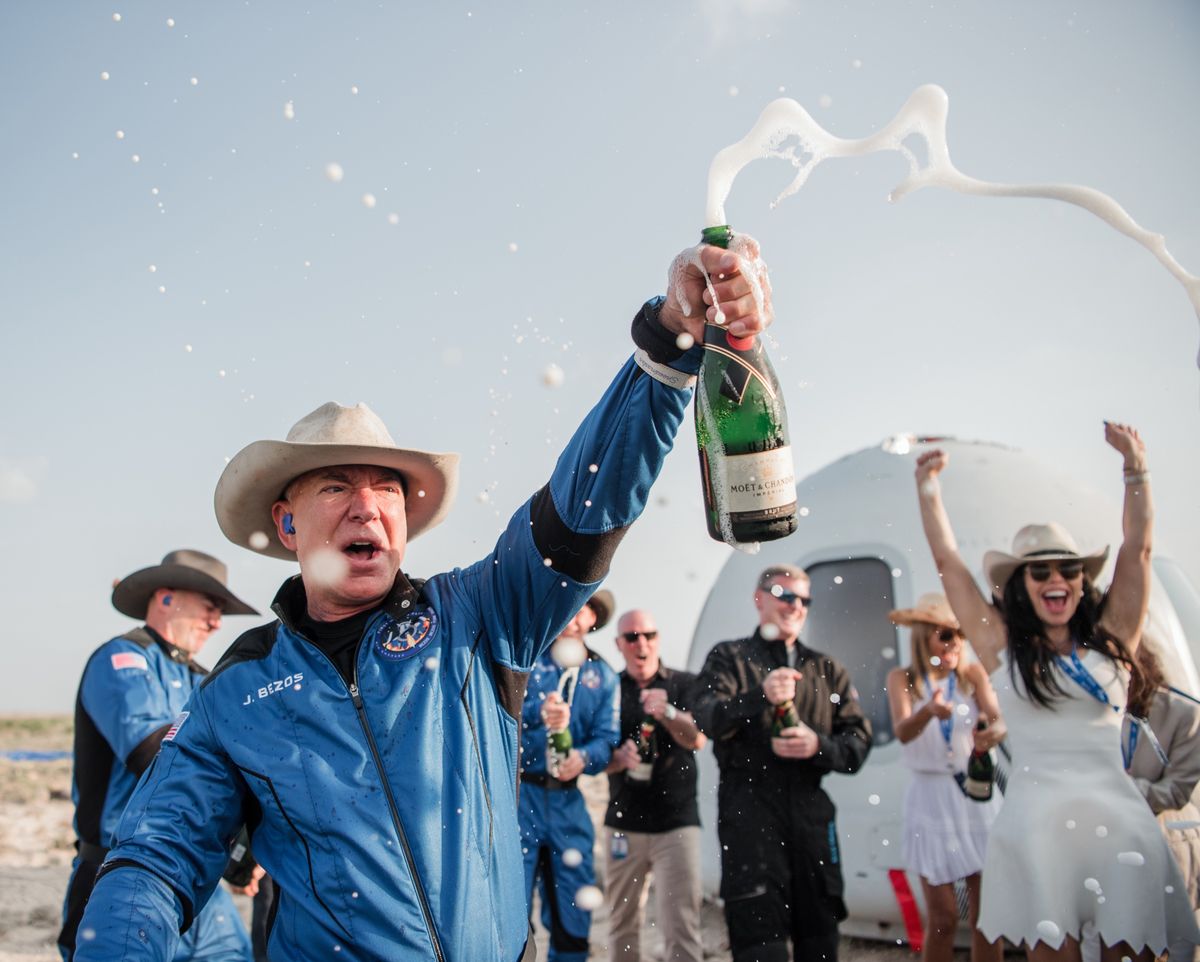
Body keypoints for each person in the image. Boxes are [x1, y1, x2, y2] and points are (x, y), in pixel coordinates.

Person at [72, 237, 774, 962]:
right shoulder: (239, 689)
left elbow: (582, 509)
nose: (367, 507)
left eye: (387, 489)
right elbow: (157, 856)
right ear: (286, 522)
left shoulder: (480, 613)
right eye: (337, 486)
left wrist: (669, 345)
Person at [913, 421, 1199, 962]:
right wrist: (929, 492)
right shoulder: (1004, 649)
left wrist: (1135, 467)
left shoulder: (1114, 640)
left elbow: (1137, 551)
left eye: (1067, 569)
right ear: (1021, 584)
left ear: (1081, 581)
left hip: (1116, 817)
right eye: (1039, 571)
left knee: (1131, 953)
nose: (1055, 580)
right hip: (1037, 820)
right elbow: (950, 568)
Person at [59, 549, 258, 962]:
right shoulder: (121, 659)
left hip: (198, 883)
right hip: (117, 876)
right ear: (166, 598)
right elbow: (155, 755)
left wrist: (248, 847)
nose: (216, 622)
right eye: (210, 606)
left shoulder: (204, 679)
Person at [693, 563, 873, 962]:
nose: (796, 606)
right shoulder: (729, 657)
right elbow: (705, 716)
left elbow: (858, 742)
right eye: (785, 595)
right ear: (759, 599)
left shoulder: (828, 669)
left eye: (804, 599)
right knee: (761, 947)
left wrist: (817, 746)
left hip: (811, 824)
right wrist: (759, 696)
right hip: (749, 822)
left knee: (821, 943)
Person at [885, 593, 1004, 962]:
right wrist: (929, 713)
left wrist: (991, 733)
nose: (956, 643)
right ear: (924, 636)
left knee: (989, 915)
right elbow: (903, 732)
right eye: (946, 634)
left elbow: (999, 721)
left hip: (974, 793)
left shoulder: (970, 674)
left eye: (960, 634)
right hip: (931, 797)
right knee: (943, 918)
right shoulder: (903, 678)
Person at [519, 591, 620, 962]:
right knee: (510, 905)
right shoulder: (526, 660)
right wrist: (536, 713)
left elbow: (606, 741)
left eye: (584, 611)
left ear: (593, 619)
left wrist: (582, 757)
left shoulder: (603, 675)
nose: (574, 618)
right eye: (569, 609)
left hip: (569, 801)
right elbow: (501, 717)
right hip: (521, 798)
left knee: (574, 908)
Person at [603, 607, 707, 962]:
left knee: (681, 922)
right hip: (623, 824)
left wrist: (669, 714)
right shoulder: (609, 689)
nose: (641, 643)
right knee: (622, 923)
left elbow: (697, 739)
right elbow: (594, 755)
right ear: (619, 644)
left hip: (677, 823)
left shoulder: (684, 683)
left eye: (648, 635)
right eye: (632, 637)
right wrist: (619, 759)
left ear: (658, 639)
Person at [1125, 640, 1200, 962]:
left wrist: (1116, 789)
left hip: (1166, 845)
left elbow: (1176, 791)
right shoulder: (1083, 717)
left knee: (1171, 948)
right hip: (1106, 851)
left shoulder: (1183, 714)